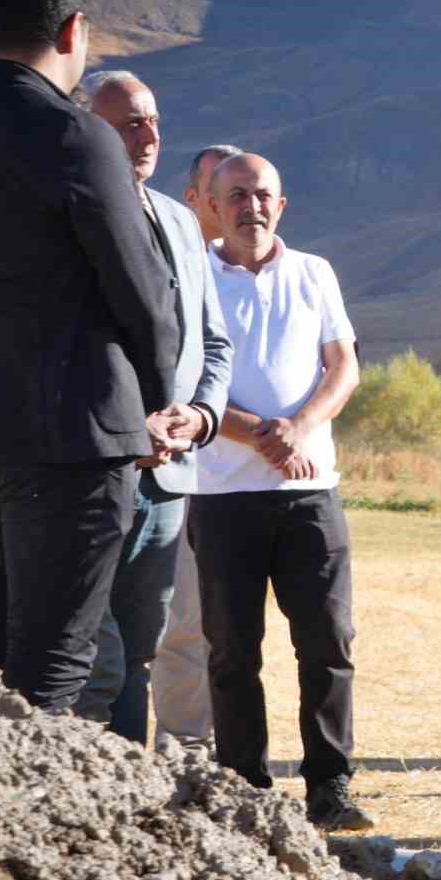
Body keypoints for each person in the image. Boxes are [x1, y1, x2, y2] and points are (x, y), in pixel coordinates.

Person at [0, 0, 186, 712]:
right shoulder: (75, 134)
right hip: (67, 435)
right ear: (74, 31)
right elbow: (143, 290)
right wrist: (156, 406)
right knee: (53, 668)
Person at [190, 153, 368, 830]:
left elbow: (343, 367)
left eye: (263, 194)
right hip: (222, 493)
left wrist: (298, 428)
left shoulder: (314, 273)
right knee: (233, 650)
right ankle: (246, 791)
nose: (252, 206)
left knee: (328, 641)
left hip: (310, 492)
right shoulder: (193, 276)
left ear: (282, 204)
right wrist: (259, 435)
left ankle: (331, 787)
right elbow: (182, 376)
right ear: (214, 206)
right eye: (236, 195)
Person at [78, 73, 232, 745]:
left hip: (168, 478)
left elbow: (214, 342)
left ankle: (126, 788)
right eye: (129, 124)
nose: (148, 136)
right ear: (91, 130)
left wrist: (200, 416)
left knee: (140, 648)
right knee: (89, 654)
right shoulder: (68, 214)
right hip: (94, 467)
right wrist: (126, 423)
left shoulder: (179, 220)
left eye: (153, 121)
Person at [152, 143, 244, 754]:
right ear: (194, 199)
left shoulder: (279, 268)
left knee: (230, 625)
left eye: (247, 187)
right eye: (222, 188)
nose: (236, 201)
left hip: (248, 479)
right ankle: (182, 742)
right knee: (179, 618)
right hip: (178, 468)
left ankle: (225, 746)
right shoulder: (170, 267)